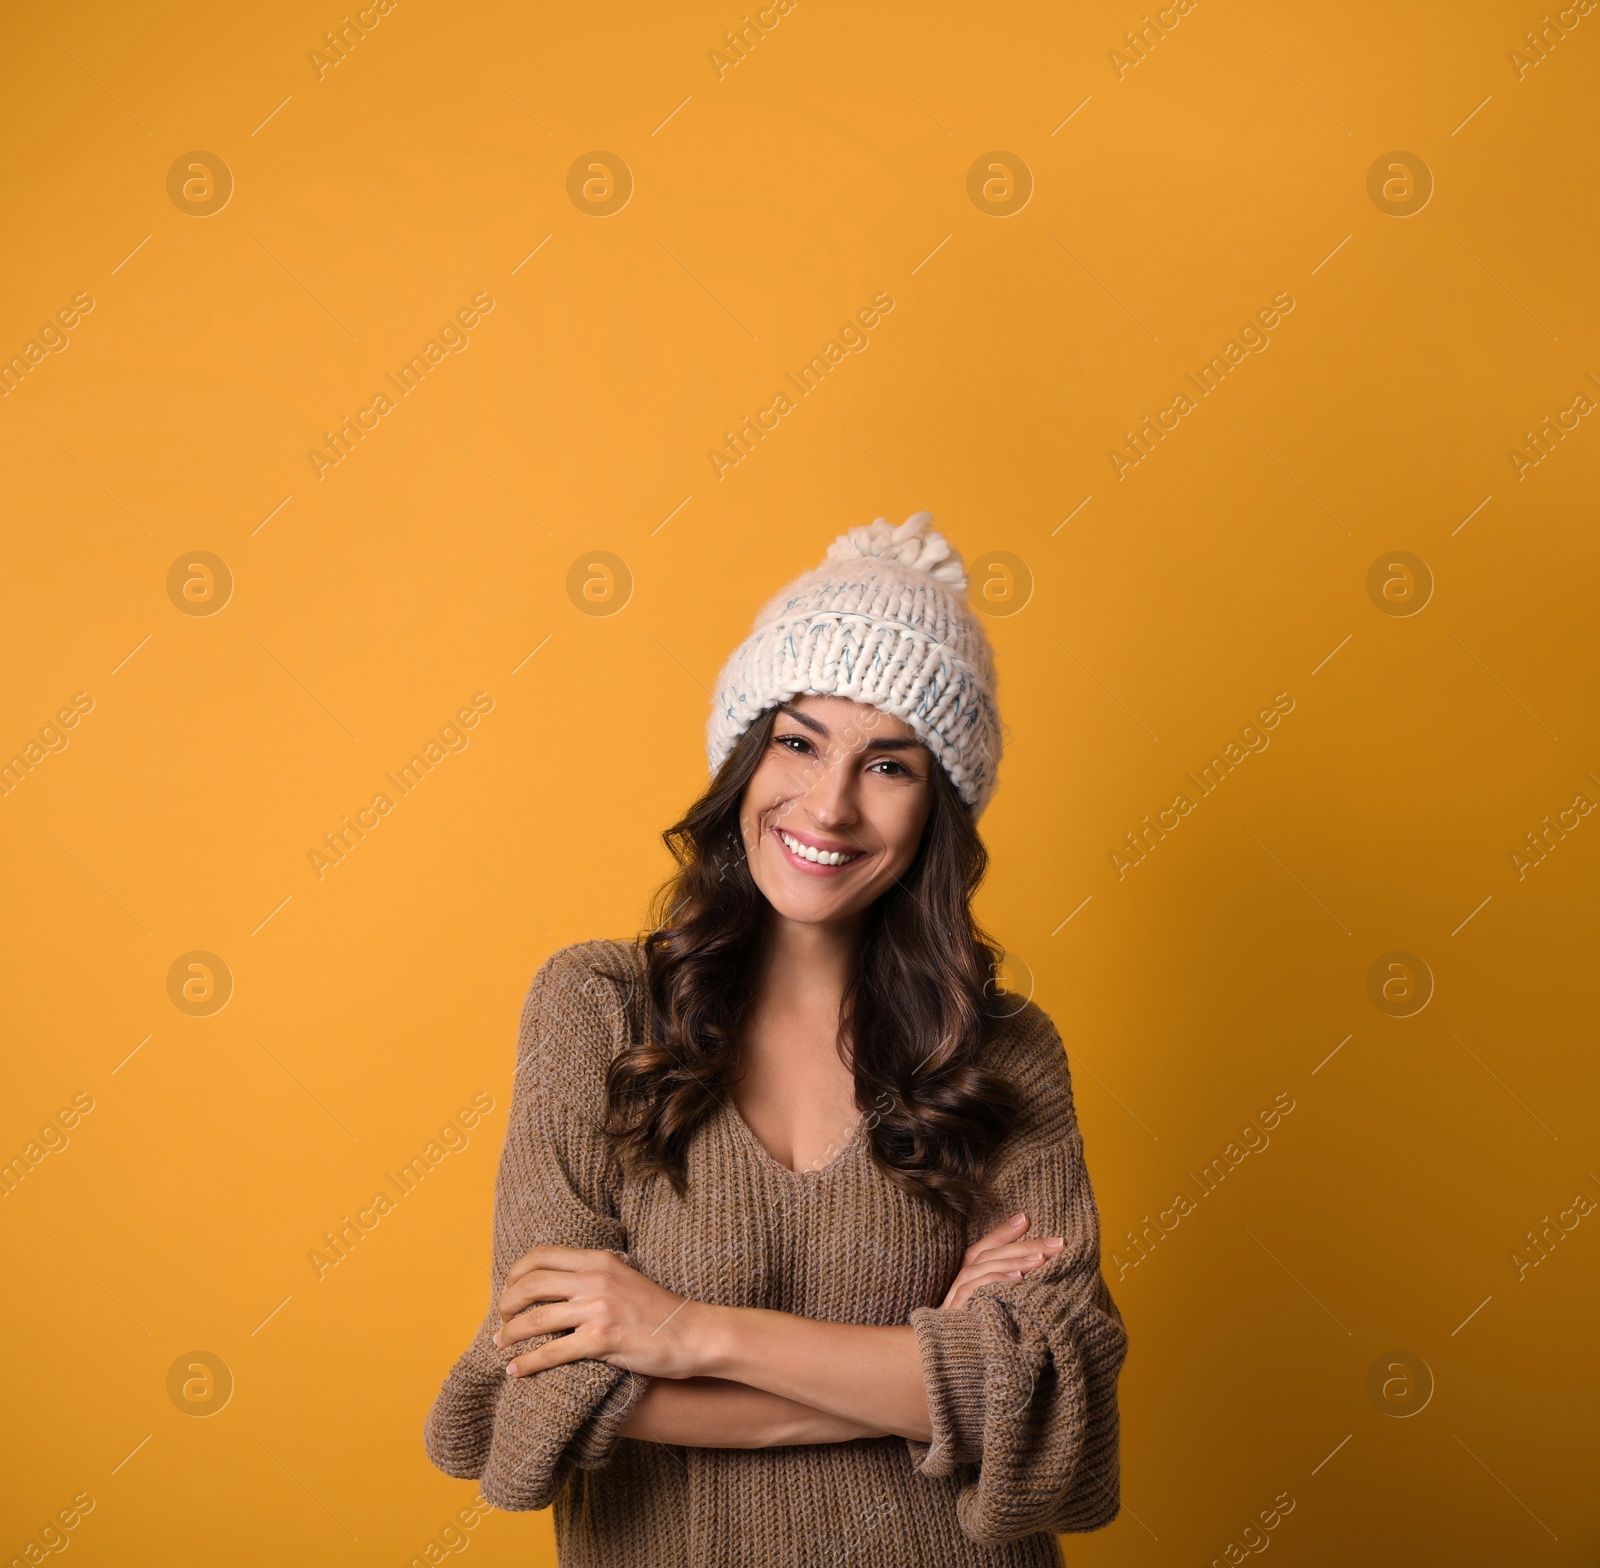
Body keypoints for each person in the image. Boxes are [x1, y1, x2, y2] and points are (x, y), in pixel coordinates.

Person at [424, 512, 1128, 1565]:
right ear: (742, 759)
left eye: (889, 766)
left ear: (939, 806)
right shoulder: (597, 1007)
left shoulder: (1003, 1051)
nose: (829, 804)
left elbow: (1043, 1384)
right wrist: (920, 1378)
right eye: (796, 741)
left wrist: (686, 1332)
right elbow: (548, 1372)